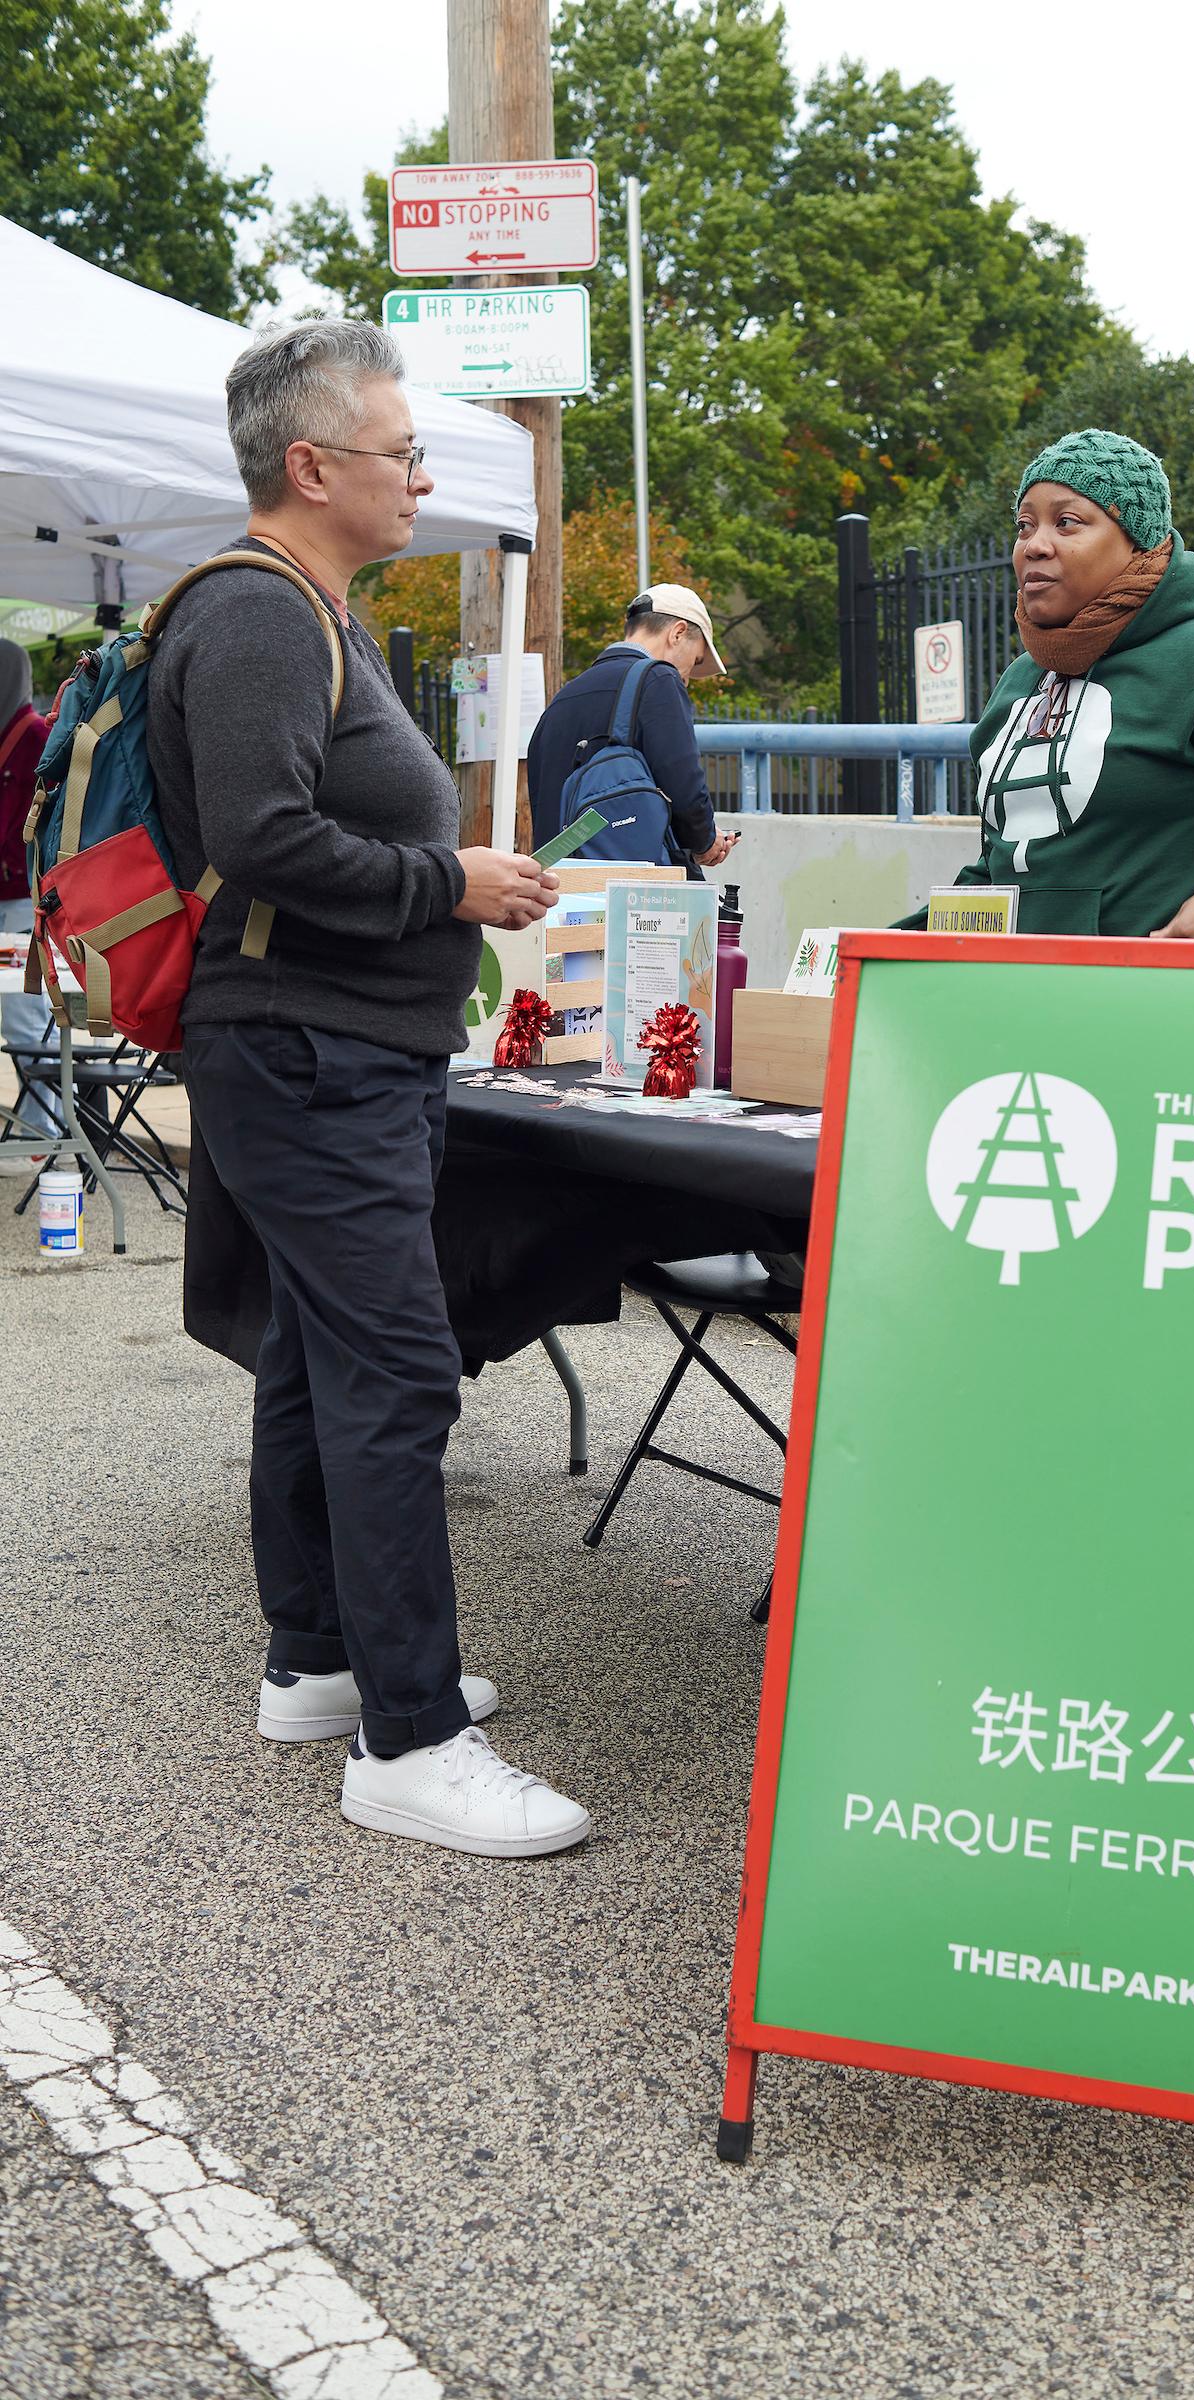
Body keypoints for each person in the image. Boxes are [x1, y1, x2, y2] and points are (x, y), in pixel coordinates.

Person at [148, 319, 590, 1859]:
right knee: (397, 1374)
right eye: (402, 449)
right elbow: (266, 839)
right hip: (310, 1052)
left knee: (315, 1363)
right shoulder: (266, 616)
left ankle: (320, 1661)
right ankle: (410, 1739)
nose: (422, 472)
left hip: (325, 1051)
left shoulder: (300, 610)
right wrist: (447, 880)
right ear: (310, 462)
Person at [928, 429, 1194, 937]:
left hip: (1161, 999)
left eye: (1067, 522)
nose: (1034, 546)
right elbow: (1000, 870)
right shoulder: (1021, 681)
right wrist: (885, 950)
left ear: (1137, 540)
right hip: (1008, 997)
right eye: (1024, 526)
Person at [527, 584, 738, 871]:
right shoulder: (659, 679)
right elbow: (683, 781)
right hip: (627, 891)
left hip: (559, 888)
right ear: (677, 633)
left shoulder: (563, 698)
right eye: (696, 659)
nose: (688, 676)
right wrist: (705, 840)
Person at [0, 637, 60, 1166]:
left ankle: (45, 1127)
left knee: (22, 1014)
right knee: (19, 1013)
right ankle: (41, 1122)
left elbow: (32, 820)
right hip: (11, 896)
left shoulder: (34, 735)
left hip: (20, 899)